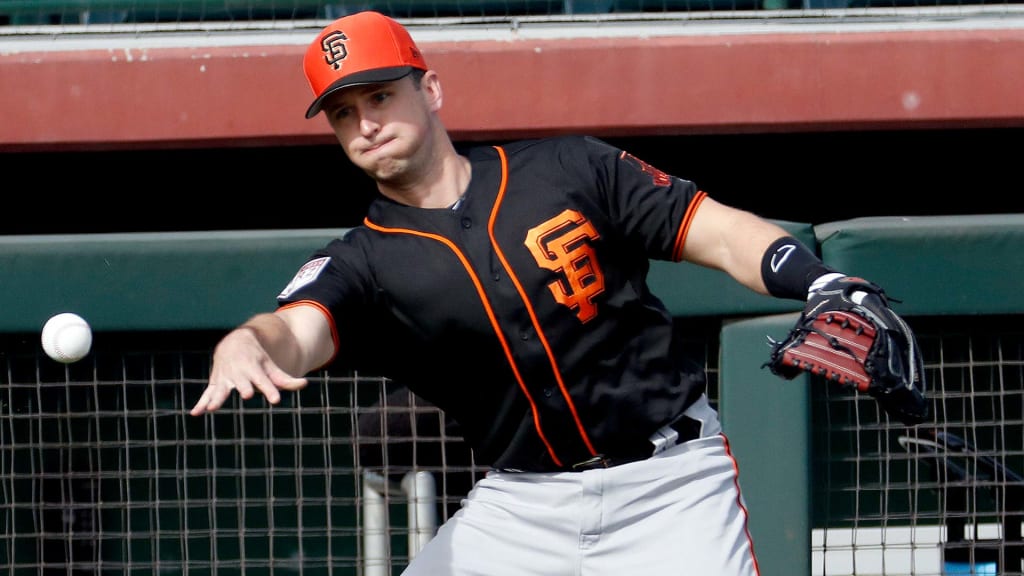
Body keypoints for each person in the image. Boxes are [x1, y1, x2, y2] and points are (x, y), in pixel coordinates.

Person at [189, 10, 868, 575]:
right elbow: (300, 326)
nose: (364, 122)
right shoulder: (361, 260)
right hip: (522, 508)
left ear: (430, 90)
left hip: (670, 483)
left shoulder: (568, 168)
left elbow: (716, 233)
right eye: (342, 112)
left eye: (379, 95)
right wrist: (251, 342)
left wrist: (824, 281)